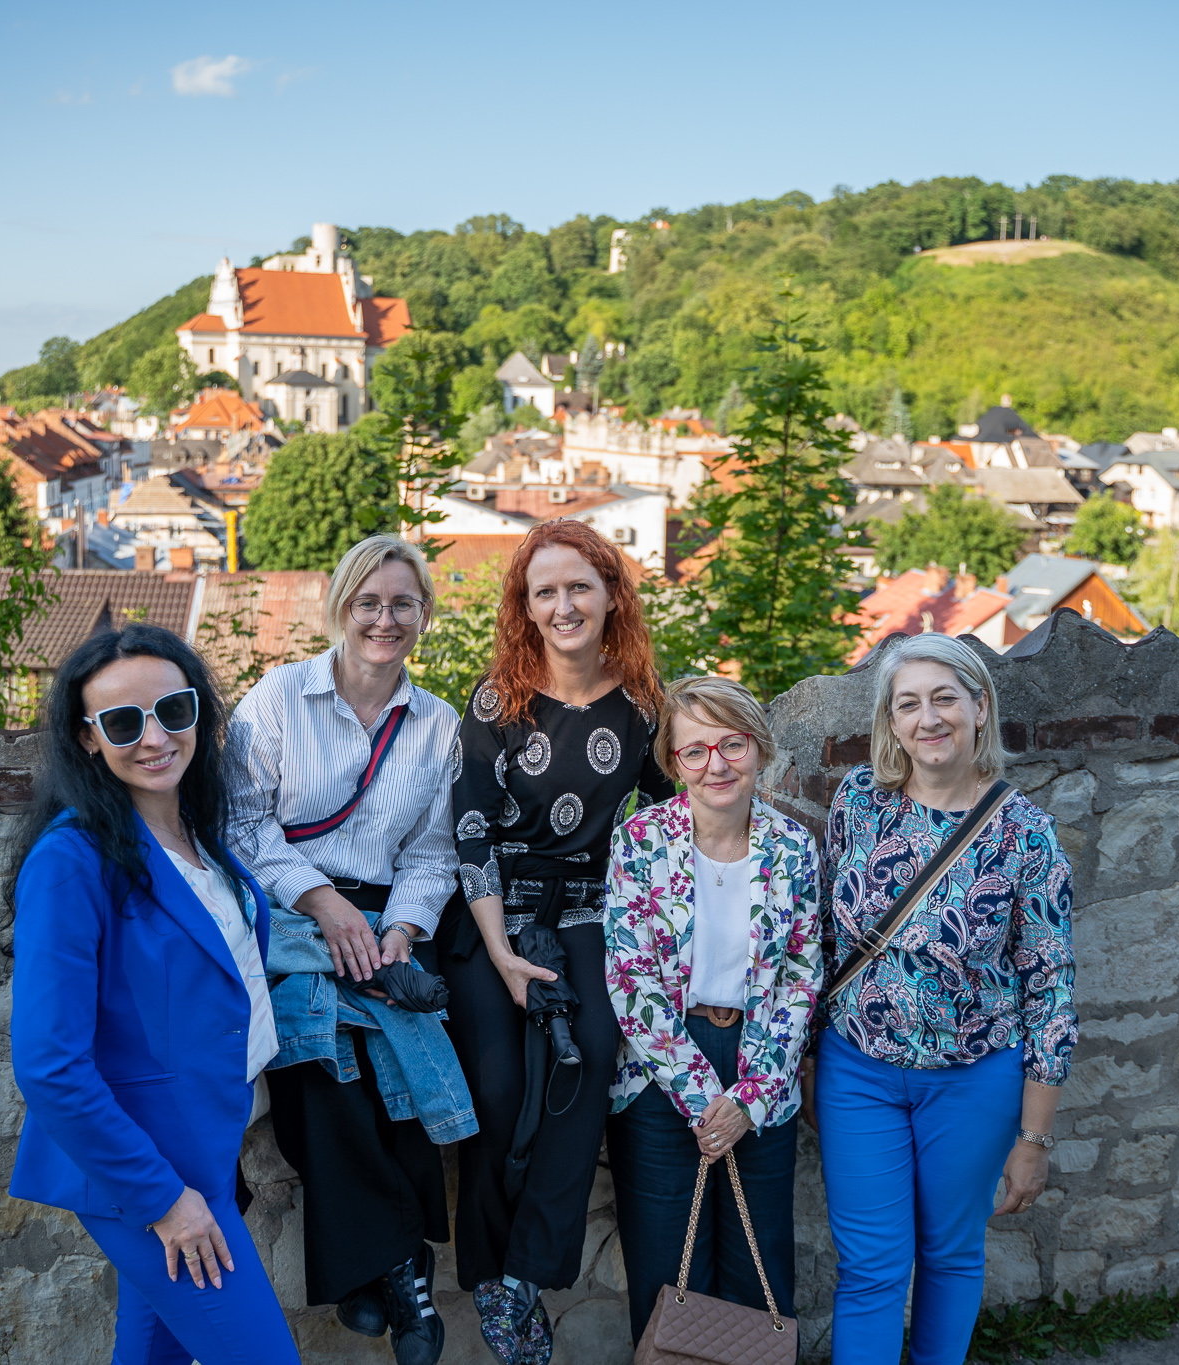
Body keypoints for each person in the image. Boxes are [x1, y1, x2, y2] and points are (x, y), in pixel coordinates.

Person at [8, 623, 299, 1365]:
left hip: (204, 1147)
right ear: (87, 738)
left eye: (173, 710)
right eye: (122, 721)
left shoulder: (198, 835)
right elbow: (49, 1065)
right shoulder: (71, 860)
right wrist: (163, 1200)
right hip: (145, 1172)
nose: (155, 737)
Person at [225, 533, 466, 1365]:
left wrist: (401, 930)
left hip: (387, 918)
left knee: (398, 1058)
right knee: (323, 1062)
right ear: (340, 607)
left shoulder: (437, 726)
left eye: (402, 603)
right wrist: (322, 902)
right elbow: (241, 820)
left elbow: (433, 852)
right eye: (369, 601)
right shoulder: (279, 697)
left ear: (424, 613)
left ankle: (368, 1273)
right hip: (290, 912)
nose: (384, 619)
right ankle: (405, 1269)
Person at [446, 518, 674, 1364]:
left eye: (580, 585)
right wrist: (502, 952)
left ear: (611, 593)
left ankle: (522, 1279)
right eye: (545, 590)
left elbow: (673, 813)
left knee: (589, 1066)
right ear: (526, 605)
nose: (564, 604)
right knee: (500, 1087)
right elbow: (471, 828)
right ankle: (488, 1270)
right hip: (493, 912)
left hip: (587, 912)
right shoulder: (496, 698)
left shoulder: (644, 702)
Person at [816, 632, 1077, 1365]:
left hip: (972, 1080)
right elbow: (822, 938)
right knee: (871, 1265)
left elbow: (1051, 989)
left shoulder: (1026, 835)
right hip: (857, 1072)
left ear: (979, 706)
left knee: (951, 1252)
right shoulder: (859, 802)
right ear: (891, 721)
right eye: (908, 704)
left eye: (944, 699)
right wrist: (806, 1061)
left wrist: (1034, 1140)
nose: (928, 718)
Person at [602, 675, 822, 1346]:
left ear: (760, 749)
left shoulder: (793, 847)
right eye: (695, 750)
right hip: (660, 1071)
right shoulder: (641, 840)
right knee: (667, 1272)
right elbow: (630, 978)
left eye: (733, 744)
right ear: (673, 762)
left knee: (759, 1269)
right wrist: (703, 1097)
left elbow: (801, 977)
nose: (716, 764)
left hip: (761, 1069)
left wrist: (749, 1097)